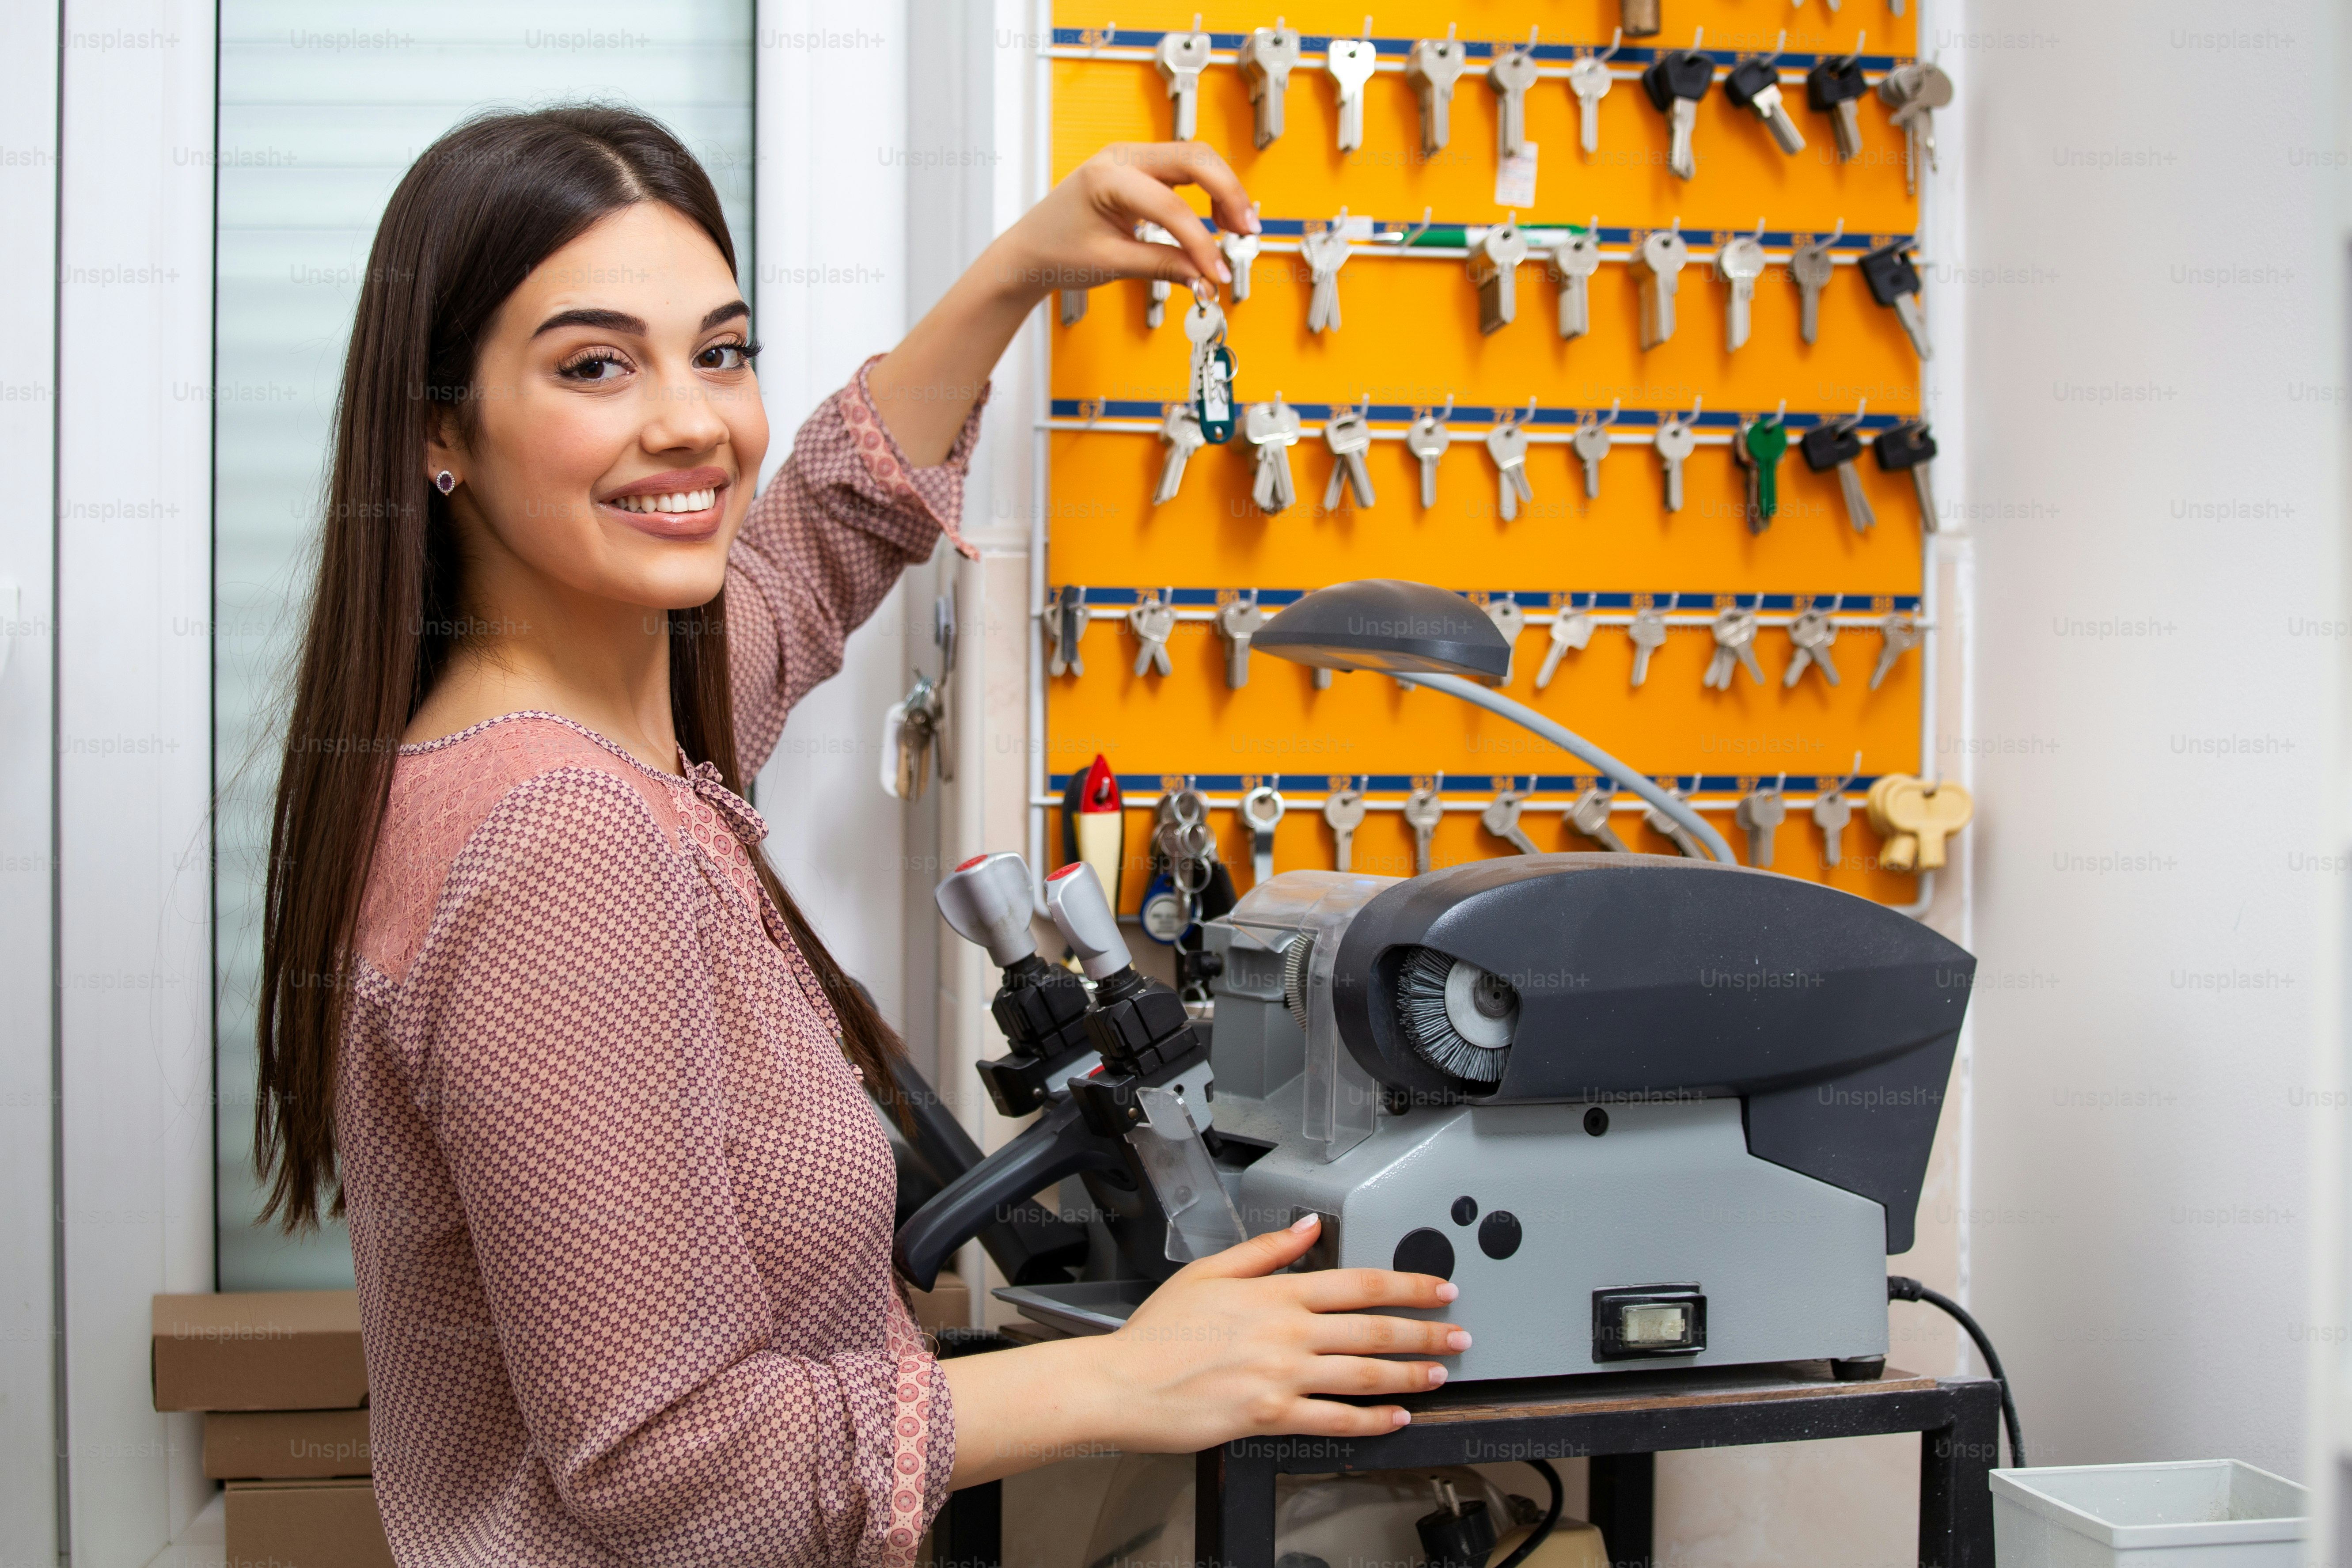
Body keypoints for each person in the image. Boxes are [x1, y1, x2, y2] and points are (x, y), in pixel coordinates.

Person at [251, 106, 1464, 1567]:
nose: (693, 419)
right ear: (442, 431)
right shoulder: (561, 841)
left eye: (720, 349)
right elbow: (669, 1462)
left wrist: (1020, 267)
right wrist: (1128, 1377)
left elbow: (809, 544)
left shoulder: (604, 735)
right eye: (594, 365)